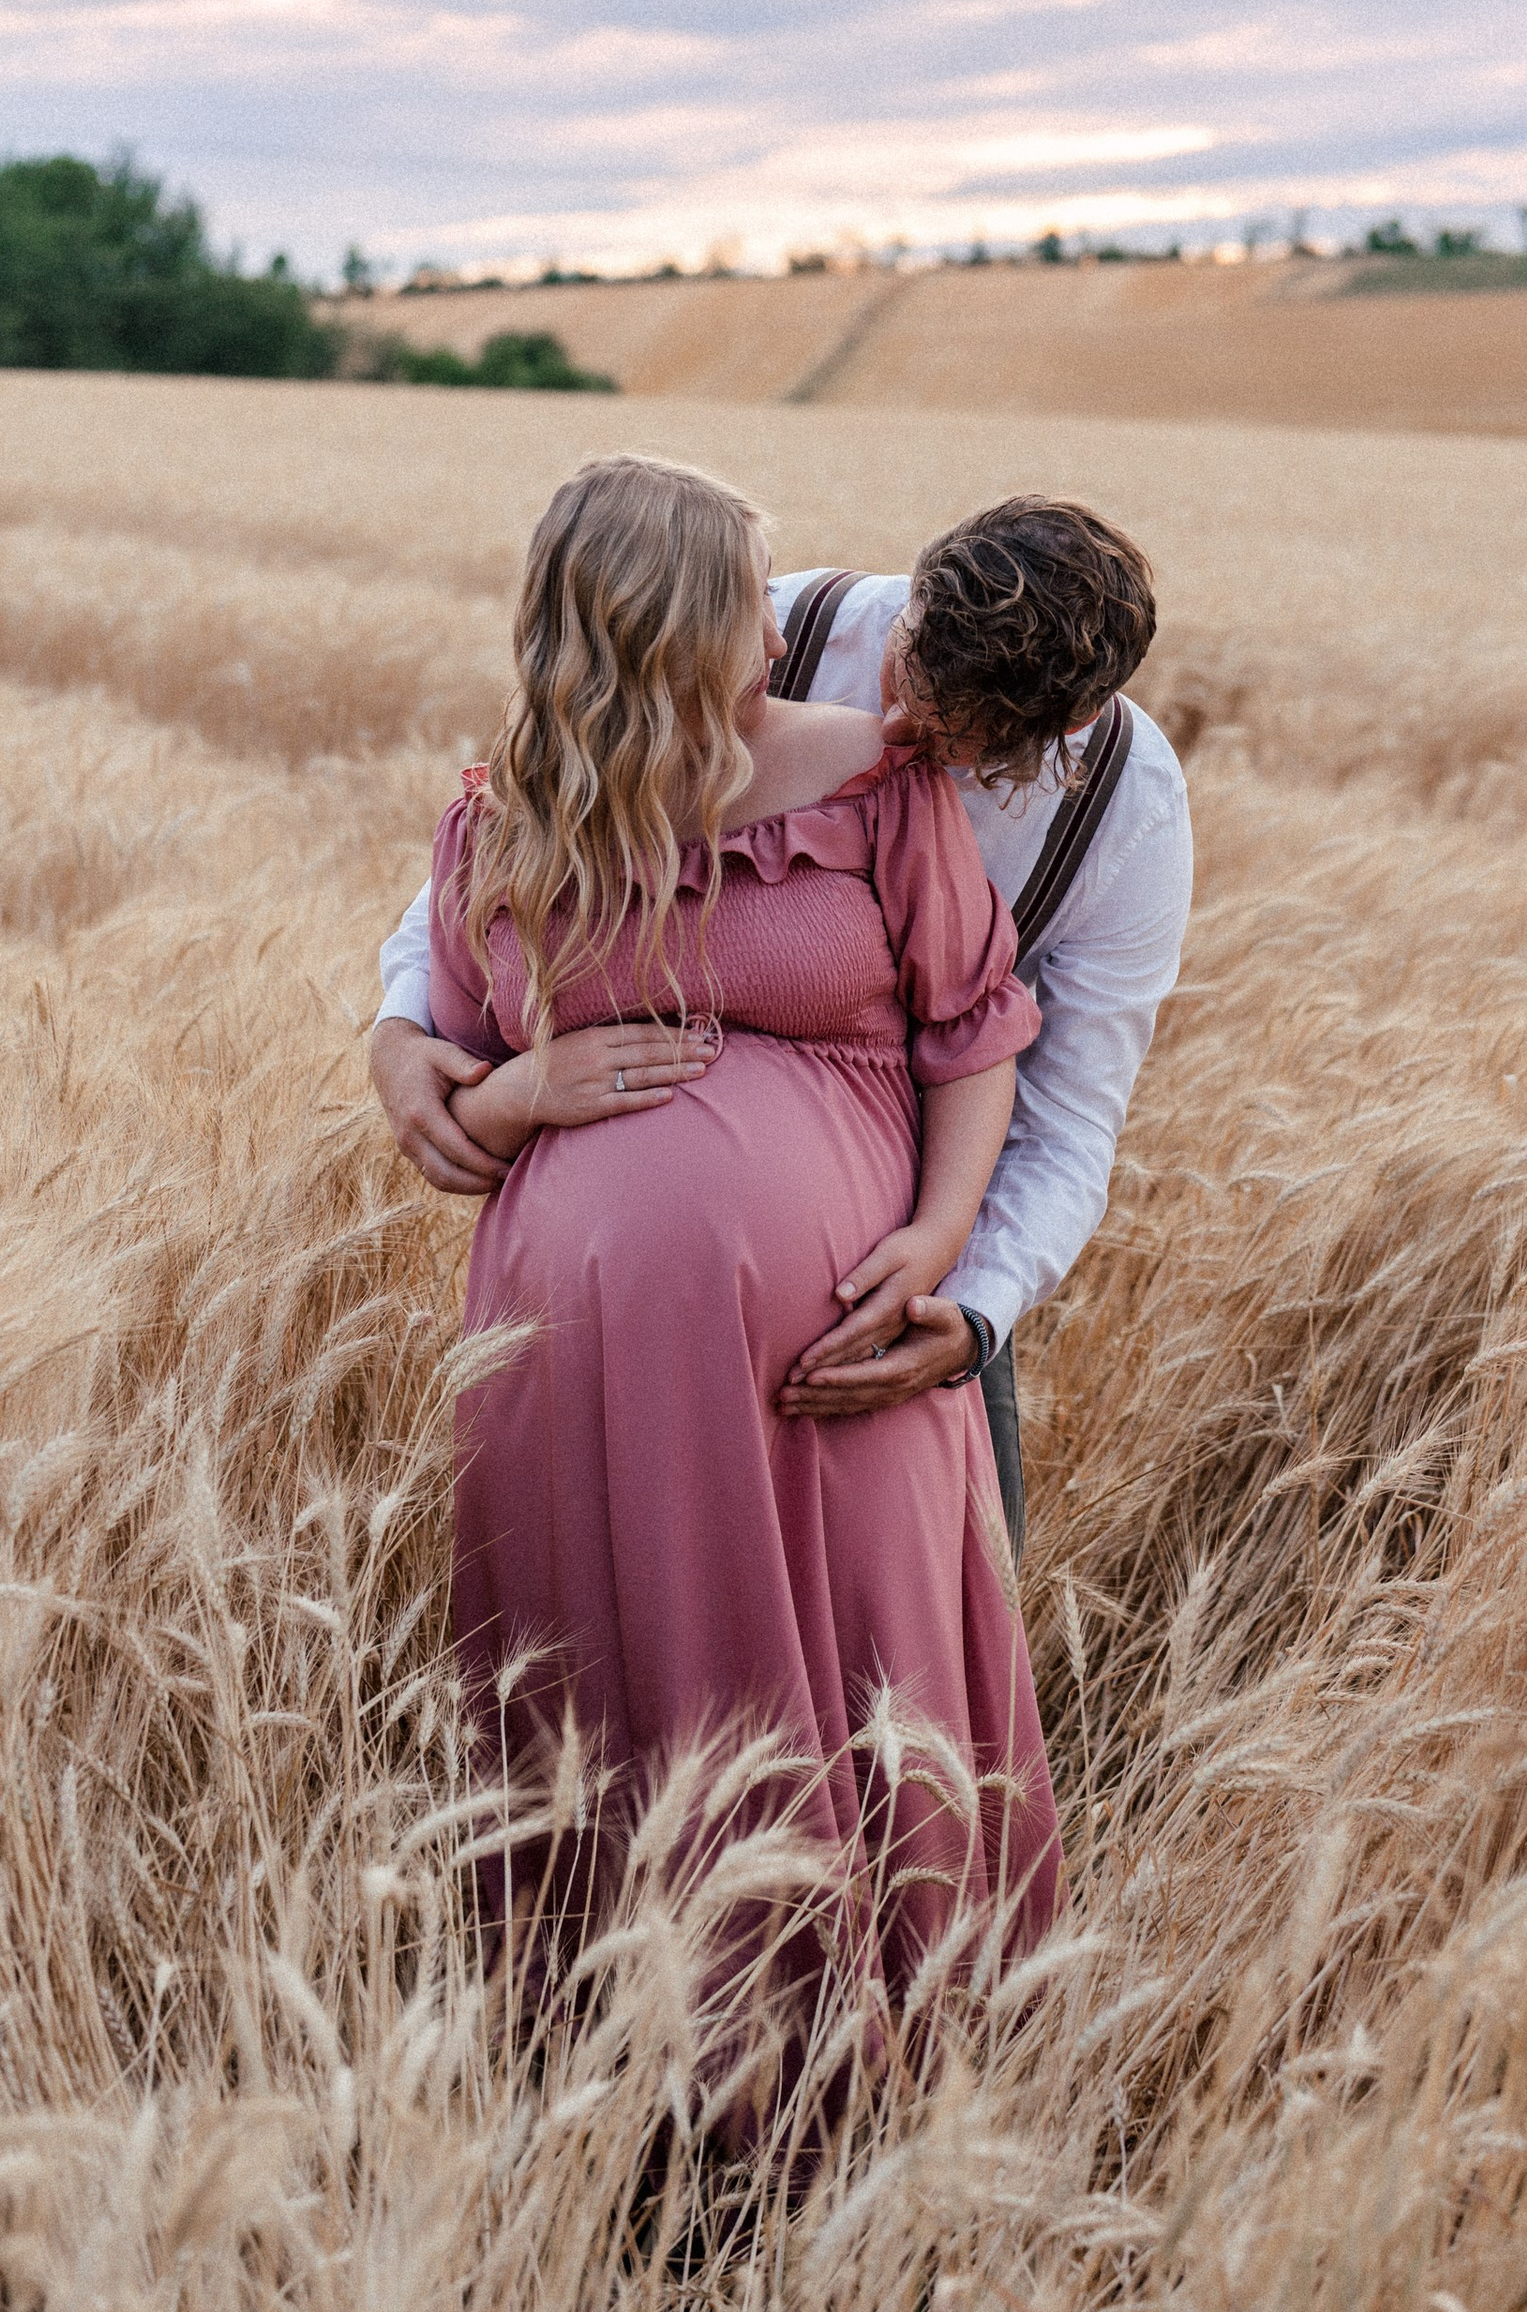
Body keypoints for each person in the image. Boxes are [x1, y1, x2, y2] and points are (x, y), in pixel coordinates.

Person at [429, 450, 1060, 2001]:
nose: (773, 630)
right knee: (612, 1687)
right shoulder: (500, 821)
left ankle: (892, 2027)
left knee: (863, 1675)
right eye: (742, 599)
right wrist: (523, 1098)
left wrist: (943, 1239)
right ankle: (626, 2053)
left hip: (826, 1350)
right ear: (666, 621)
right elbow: (441, 1073)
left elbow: (980, 1029)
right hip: (584, 1364)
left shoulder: (874, 778)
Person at [371, 495, 1193, 1549]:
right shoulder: (768, 627)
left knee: (958, 1591)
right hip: (607, 1304)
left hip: (896, 1273)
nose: (895, 737)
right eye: (905, 684)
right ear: (911, 601)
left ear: (1068, 727)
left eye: (964, 745)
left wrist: (969, 1300)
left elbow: (1073, 1114)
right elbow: (532, 824)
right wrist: (400, 1029)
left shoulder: (1127, 811)